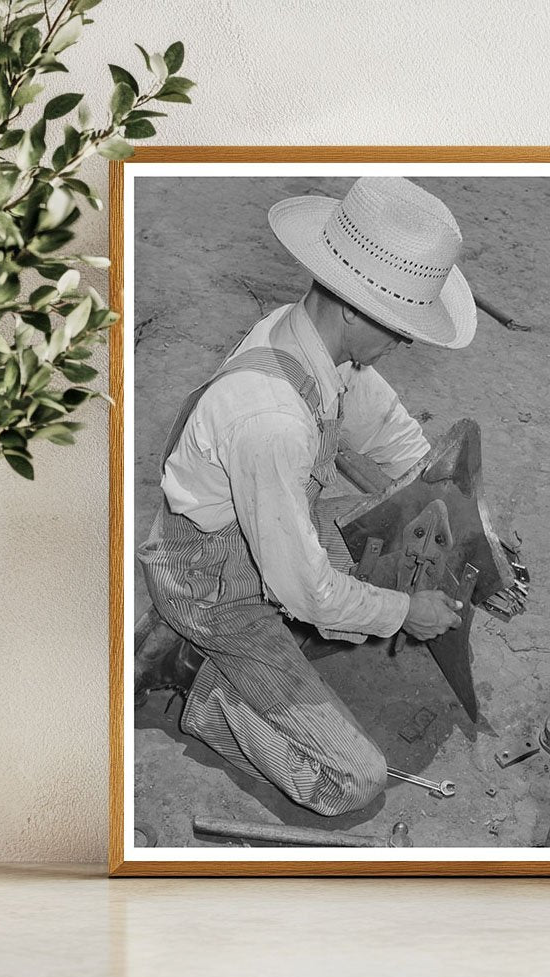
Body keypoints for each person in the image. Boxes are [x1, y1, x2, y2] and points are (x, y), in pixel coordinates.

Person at [138, 176, 478, 816]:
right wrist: (405, 611)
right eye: (398, 328)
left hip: (250, 538)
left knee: (367, 578)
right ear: (352, 307)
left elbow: (386, 429)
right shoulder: (272, 421)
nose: (403, 343)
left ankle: (230, 660)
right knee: (355, 780)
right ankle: (204, 686)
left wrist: (450, 500)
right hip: (211, 590)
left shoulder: (309, 337)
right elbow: (308, 593)